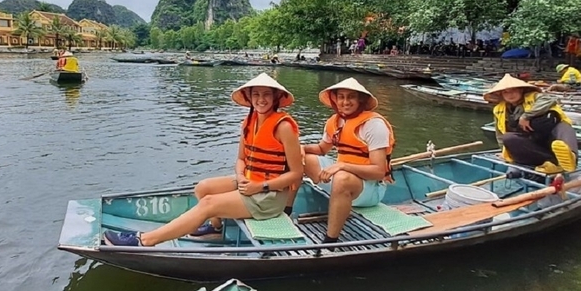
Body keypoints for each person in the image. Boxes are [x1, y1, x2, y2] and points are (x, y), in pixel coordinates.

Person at [102, 73, 303, 246]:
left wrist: (259, 187)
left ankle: (144, 240)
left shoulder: (284, 127)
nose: (261, 99)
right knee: (203, 188)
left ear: (275, 97)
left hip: (269, 196)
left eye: (267, 94)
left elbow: (296, 173)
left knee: (208, 203)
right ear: (249, 97)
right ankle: (216, 228)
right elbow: (241, 159)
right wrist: (241, 176)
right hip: (250, 182)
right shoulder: (249, 122)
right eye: (256, 94)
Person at [294, 78, 395, 244]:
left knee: (342, 178)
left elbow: (378, 172)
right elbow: (321, 149)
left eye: (351, 97)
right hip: (343, 179)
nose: (345, 102)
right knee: (303, 159)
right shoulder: (334, 122)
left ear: (360, 99)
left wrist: (342, 166)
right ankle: (287, 209)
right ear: (335, 99)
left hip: (370, 189)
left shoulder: (373, 125)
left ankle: (330, 241)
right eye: (341, 97)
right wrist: (299, 148)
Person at [484, 74, 579, 175]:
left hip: (550, 137)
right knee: (508, 138)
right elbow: (499, 133)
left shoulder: (533, 97)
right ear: (501, 94)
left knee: (563, 126)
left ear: (521, 90)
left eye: (514, 90)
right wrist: (503, 151)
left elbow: (550, 100)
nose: (510, 94)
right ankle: (554, 163)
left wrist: (526, 116)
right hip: (531, 142)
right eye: (505, 92)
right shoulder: (499, 109)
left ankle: (571, 157)